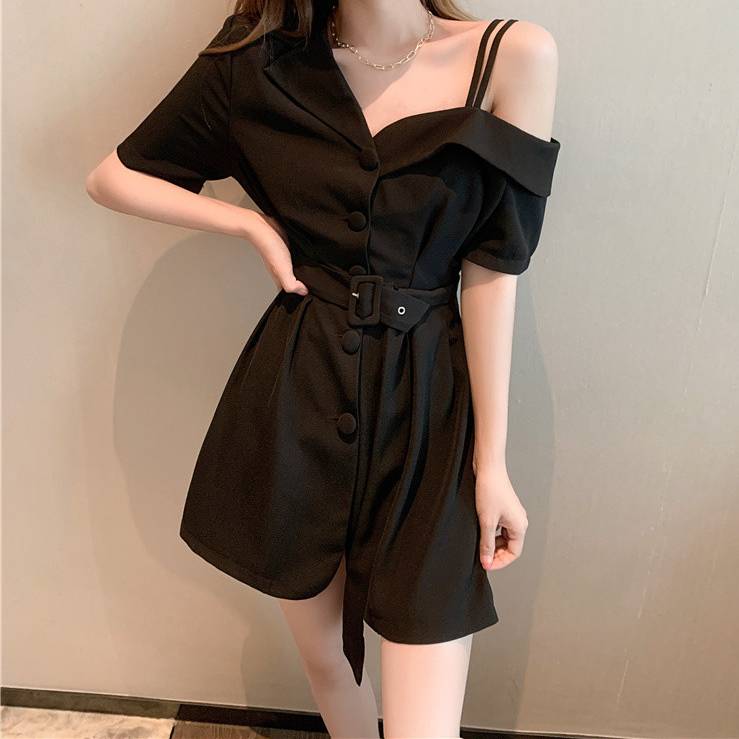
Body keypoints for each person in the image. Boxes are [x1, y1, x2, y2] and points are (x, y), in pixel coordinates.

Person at [86, 1, 560, 736]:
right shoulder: (260, 59)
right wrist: (245, 222)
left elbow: (493, 270)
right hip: (299, 390)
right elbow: (113, 177)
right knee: (332, 669)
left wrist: (490, 462)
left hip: (429, 409)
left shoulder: (514, 57)